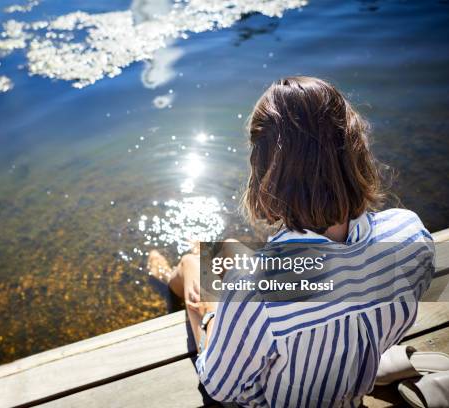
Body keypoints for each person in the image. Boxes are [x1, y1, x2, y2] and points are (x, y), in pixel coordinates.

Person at [147, 76, 434, 407]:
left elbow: (220, 386)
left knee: (194, 265)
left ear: (266, 171)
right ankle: (184, 266)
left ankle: (169, 274)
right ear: (354, 152)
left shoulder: (257, 291)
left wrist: (208, 317)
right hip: (350, 370)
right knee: (222, 250)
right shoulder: (410, 236)